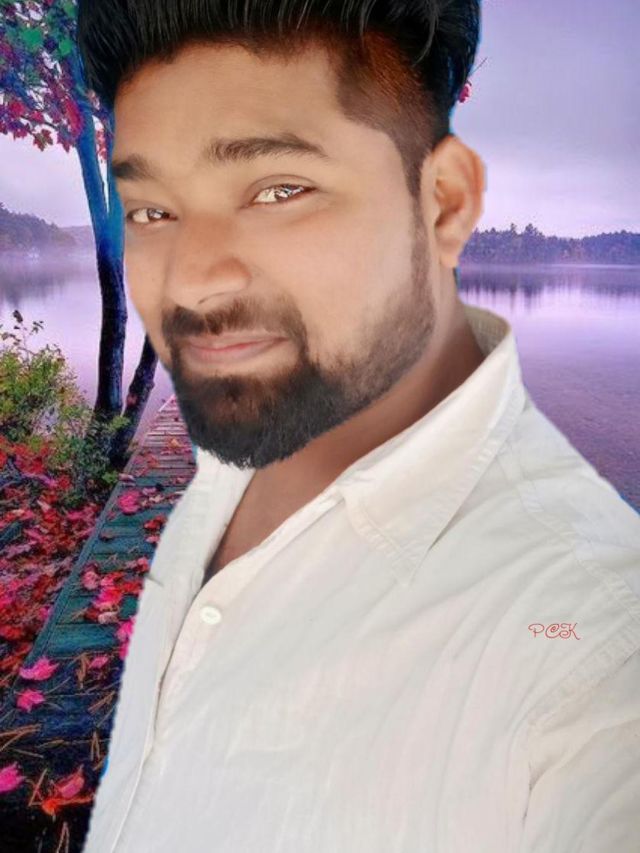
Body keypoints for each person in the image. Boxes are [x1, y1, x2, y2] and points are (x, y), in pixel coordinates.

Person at [76, 2, 640, 851]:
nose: (190, 282)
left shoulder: (593, 651)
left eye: (278, 190)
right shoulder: (240, 455)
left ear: (444, 204)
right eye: (152, 209)